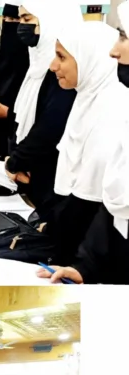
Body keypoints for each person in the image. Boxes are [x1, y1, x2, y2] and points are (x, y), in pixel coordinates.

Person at [39, 20, 129, 285]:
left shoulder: (116, 110)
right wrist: (86, 267)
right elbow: (116, 203)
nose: (113, 52)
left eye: (123, 38)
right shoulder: (86, 102)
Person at [3, 1, 85, 262]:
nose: (22, 27)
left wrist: (17, 160)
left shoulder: (68, 76)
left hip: (56, 189)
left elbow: (49, 129)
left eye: (28, 19)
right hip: (37, 182)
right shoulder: (40, 66)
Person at [0, 0, 30, 159]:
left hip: (22, 146)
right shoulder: (1, 49)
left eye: (17, 20)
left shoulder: (38, 60)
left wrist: (9, 114)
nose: (10, 24)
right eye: (6, 19)